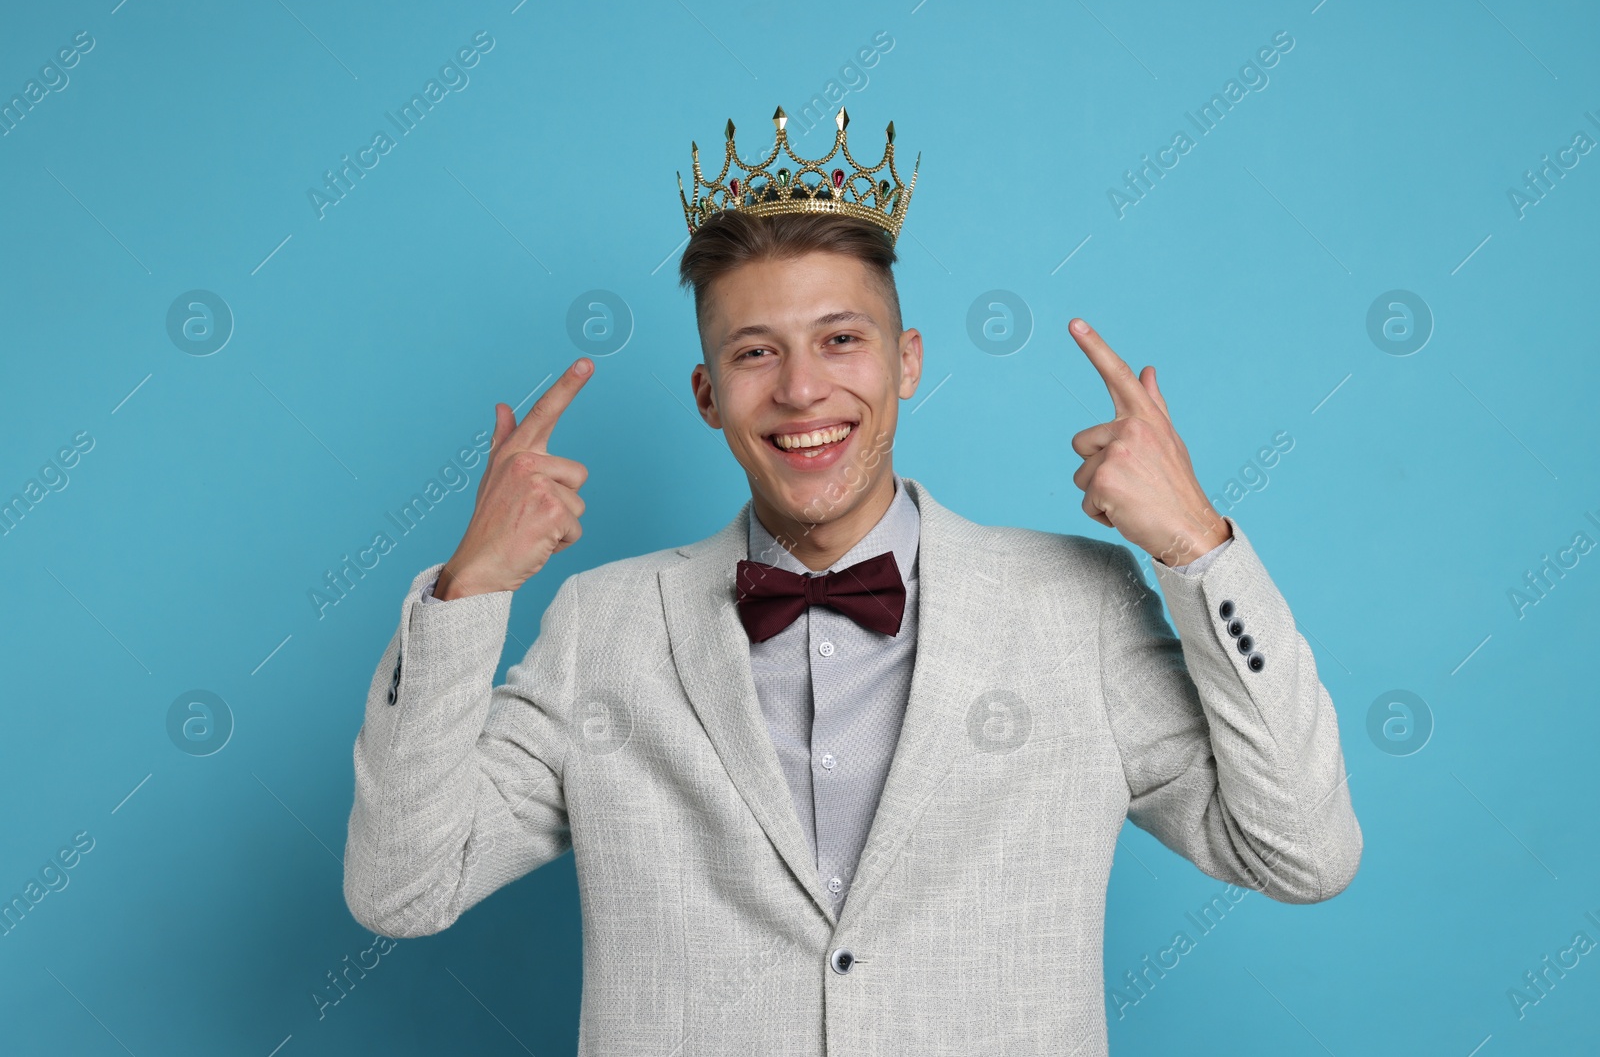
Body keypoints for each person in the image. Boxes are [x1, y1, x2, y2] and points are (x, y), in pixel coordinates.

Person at [342, 109, 1361, 1056]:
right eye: (754, 352)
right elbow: (402, 885)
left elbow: (1301, 853)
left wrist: (1196, 545)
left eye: (841, 338)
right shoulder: (603, 624)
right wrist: (468, 590)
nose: (800, 388)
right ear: (706, 394)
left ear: (905, 361)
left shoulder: (1076, 605)